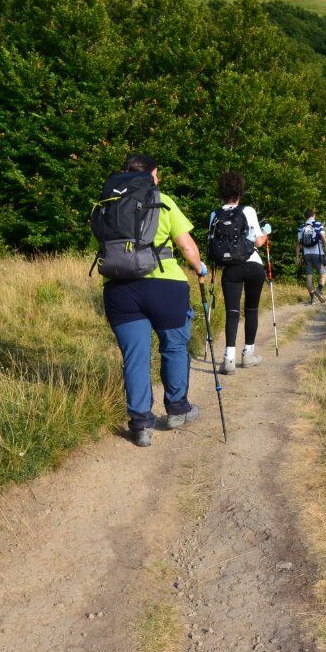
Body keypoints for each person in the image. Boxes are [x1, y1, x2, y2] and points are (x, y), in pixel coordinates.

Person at [101, 154, 207, 448]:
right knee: (173, 345)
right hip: (165, 285)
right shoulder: (164, 200)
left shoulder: (109, 203)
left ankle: (140, 425)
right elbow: (187, 245)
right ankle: (176, 409)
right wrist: (199, 268)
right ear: (154, 174)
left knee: (136, 356)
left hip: (119, 288)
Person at [209, 171, 271, 375]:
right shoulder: (248, 210)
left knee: (232, 312)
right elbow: (259, 242)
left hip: (230, 270)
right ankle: (248, 354)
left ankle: (228, 359)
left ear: (221, 192)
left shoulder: (214, 214)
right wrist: (267, 232)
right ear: (240, 191)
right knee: (251, 310)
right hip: (253, 265)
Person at [296, 209, 326, 304]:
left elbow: (298, 243)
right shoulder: (318, 224)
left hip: (306, 254)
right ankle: (318, 290)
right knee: (323, 274)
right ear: (313, 215)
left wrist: (297, 256)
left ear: (305, 216)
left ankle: (312, 299)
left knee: (309, 277)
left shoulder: (301, 226)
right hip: (317, 253)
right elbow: (323, 239)